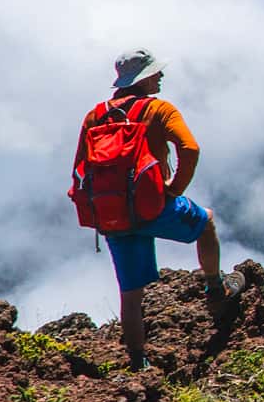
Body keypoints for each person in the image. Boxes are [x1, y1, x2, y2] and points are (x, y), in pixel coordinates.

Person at [76, 49, 244, 368]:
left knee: (130, 294)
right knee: (206, 222)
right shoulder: (159, 109)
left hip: (114, 215)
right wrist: (175, 190)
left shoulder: (95, 116)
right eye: (156, 72)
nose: (161, 76)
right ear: (143, 79)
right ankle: (215, 288)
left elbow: (81, 169)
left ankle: (138, 362)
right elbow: (190, 148)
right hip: (154, 206)